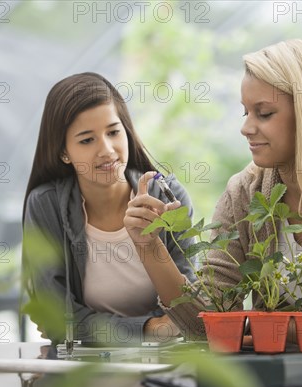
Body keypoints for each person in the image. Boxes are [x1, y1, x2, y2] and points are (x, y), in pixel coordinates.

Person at [124, 39, 302, 350]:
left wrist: (261, 328)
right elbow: (205, 323)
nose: (246, 128)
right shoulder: (244, 192)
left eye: (263, 113)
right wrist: (149, 246)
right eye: (245, 112)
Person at [22, 72, 196, 346]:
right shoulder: (46, 205)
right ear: (63, 152)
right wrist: (150, 327)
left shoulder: (166, 196)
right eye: (86, 140)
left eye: (113, 132)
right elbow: (58, 320)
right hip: (83, 371)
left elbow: (190, 311)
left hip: (170, 364)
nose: (107, 150)